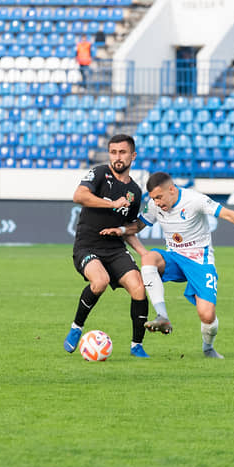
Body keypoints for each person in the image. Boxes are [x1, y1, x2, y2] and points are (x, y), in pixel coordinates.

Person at [107, 172, 234, 358]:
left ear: (172, 189)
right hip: (174, 258)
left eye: (159, 197)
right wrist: (121, 230)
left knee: (207, 314)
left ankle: (208, 348)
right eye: (153, 198)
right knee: (148, 258)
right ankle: (162, 316)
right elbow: (138, 226)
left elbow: (226, 213)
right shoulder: (155, 205)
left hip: (200, 261)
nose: (156, 202)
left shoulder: (195, 200)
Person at [65, 133, 150, 358]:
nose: (117, 157)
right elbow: (79, 195)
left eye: (122, 152)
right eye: (113, 152)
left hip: (114, 249)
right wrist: (111, 203)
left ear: (133, 155)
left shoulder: (135, 192)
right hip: (88, 246)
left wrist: (142, 252)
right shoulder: (100, 173)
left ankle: (136, 345)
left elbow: (127, 228)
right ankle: (77, 327)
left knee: (139, 287)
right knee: (100, 281)